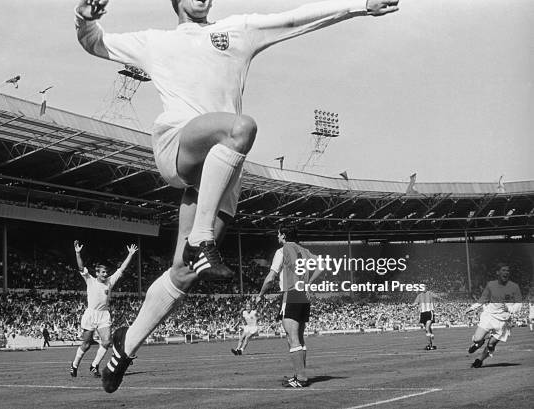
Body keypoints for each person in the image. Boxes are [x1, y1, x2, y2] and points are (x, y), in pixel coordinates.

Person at [74, 0, 399, 393]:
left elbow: (295, 19)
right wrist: (85, 17)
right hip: (181, 146)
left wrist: (359, 6)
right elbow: (94, 43)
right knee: (241, 128)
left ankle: (123, 350)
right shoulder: (155, 42)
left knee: (182, 274)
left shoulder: (238, 31)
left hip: (222, 175)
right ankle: (201, 240)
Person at [256, 227, 322, 387]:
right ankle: (299, 374)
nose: (277, 236)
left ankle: (301, 378)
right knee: (298, 337)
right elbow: (322, 265)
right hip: (303, 296)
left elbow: (271, 277)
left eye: (278, 234)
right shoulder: (304, 250)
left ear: (284, 235)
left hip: (291, 294)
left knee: (292, 337)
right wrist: (308, 283)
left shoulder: (282, 251)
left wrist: (261, 293)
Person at [70, 240, 138, 378]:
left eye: (106, 272)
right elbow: (81, 267)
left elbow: (121, 269)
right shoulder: (90, 280)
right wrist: (77, 253)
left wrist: (130, 254)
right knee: (86, 344)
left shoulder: (110, 281)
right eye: (103, 272)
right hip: (91, 314)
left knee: (106, 341)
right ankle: (75, 364)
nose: (105, 274)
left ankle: (94, 366)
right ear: (97, 273)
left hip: (103, 315)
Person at [465, 263, 522, 368]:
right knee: (477, 339)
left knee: (491, 344)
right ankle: (479, 343)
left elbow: (519, 304)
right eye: (503, 270)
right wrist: (472, 307)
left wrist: (511, 309)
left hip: (503, 321)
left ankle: (480, 360)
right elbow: (483, 298)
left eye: (507, 271)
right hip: (490, 316)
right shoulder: (491, 284)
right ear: (498, 273)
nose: (506, 272)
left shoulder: (514, 287)